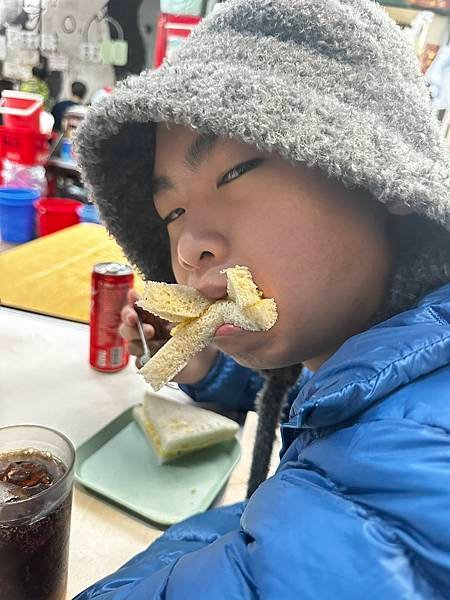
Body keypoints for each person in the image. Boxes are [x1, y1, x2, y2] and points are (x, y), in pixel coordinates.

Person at [75, 0, 450, 597]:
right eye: (170, 211)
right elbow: (310, 396)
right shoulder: (378, 352)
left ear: (382, 175)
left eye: (235, 172)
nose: (190, 245)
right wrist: (206, 370)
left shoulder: (420, 451)